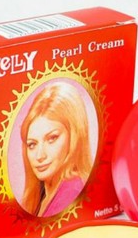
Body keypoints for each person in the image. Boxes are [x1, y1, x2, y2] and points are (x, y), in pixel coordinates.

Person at [20, 81, 92, 216]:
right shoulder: (42, 195)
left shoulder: (71, 193)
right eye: (32, 144)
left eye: (52, 138)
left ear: (74, 137)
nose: (40, 156)